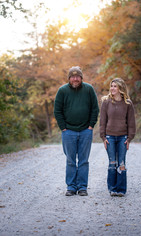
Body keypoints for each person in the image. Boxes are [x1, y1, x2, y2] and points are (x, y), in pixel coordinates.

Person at [54, 66, 99, 196]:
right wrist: (63, 127)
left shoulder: (89, 89)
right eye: (72, 77)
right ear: (69, 78)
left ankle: (83, 187)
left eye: (77, 76)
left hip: (86, 131)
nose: (75, 79)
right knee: (70, 160)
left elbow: (94, 109)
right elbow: (57, 111)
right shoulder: (62, 91)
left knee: (84, 161)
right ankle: (71, 187)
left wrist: (91, 126)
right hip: (68, 132)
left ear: (81, 78)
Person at [100, 78, 136, 197]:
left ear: (121, 88)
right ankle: (112, 189)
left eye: (115, 86)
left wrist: (129, 138)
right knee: (112, 163)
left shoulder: (128, 103)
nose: (112, 88)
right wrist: (103, 137)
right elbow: (102, 121)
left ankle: (121, 189)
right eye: (112, 86)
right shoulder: (106, 102)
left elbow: (131, 123)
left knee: (121, 163)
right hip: (109, 137)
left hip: (123, 137)